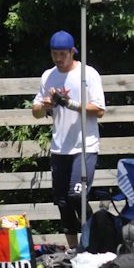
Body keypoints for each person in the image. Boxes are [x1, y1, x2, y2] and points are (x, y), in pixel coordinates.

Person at [32, 30, 106, 248]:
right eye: (54, 54)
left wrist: (69, 103)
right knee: (62, 202)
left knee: (76, 196)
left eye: (62, 54)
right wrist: (44, 105)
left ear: (73, 51)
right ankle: (74, 250)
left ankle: (92, 242)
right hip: (59, 147)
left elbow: (99, 110)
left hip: (84, 146)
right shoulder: (48, 76)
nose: (58, 58)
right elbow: (36, 112)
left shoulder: (88, 74)